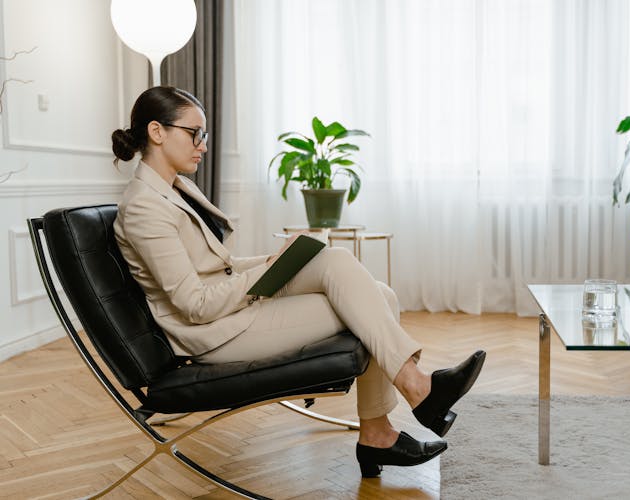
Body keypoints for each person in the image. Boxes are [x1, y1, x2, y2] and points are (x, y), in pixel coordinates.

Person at [111, 86, 485, 478]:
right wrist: (265, 275)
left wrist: (273, 262)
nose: (203, 145)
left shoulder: (176, 188)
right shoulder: (143, 207)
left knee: (364, 282)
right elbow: (194, 303)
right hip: (214, 332)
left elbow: (215, 268)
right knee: (371, 300)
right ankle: (409, 400)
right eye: (195, 133)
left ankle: (384, 426)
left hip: (230, 310)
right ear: (157, 131)